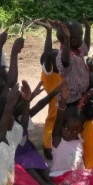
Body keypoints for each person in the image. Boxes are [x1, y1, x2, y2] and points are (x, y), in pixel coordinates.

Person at [33, 19, 61, 160]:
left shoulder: (62, 72)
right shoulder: (49, 77)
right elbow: (48, 54)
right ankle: (47, 147)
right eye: (55, 56)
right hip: (55, 117)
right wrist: (49, 32)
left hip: (65, 114)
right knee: (52, 127)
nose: (59, 56)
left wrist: (60, 29)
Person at [55, 20, 91, 106]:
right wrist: (67, 38)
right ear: (74, 42)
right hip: (69, 99)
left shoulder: (77, 50)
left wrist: (88, 29)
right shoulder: (62, 55)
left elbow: (86, 48)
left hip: (80, 94)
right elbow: (65, 61)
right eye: (81, 37)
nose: (82, 40)